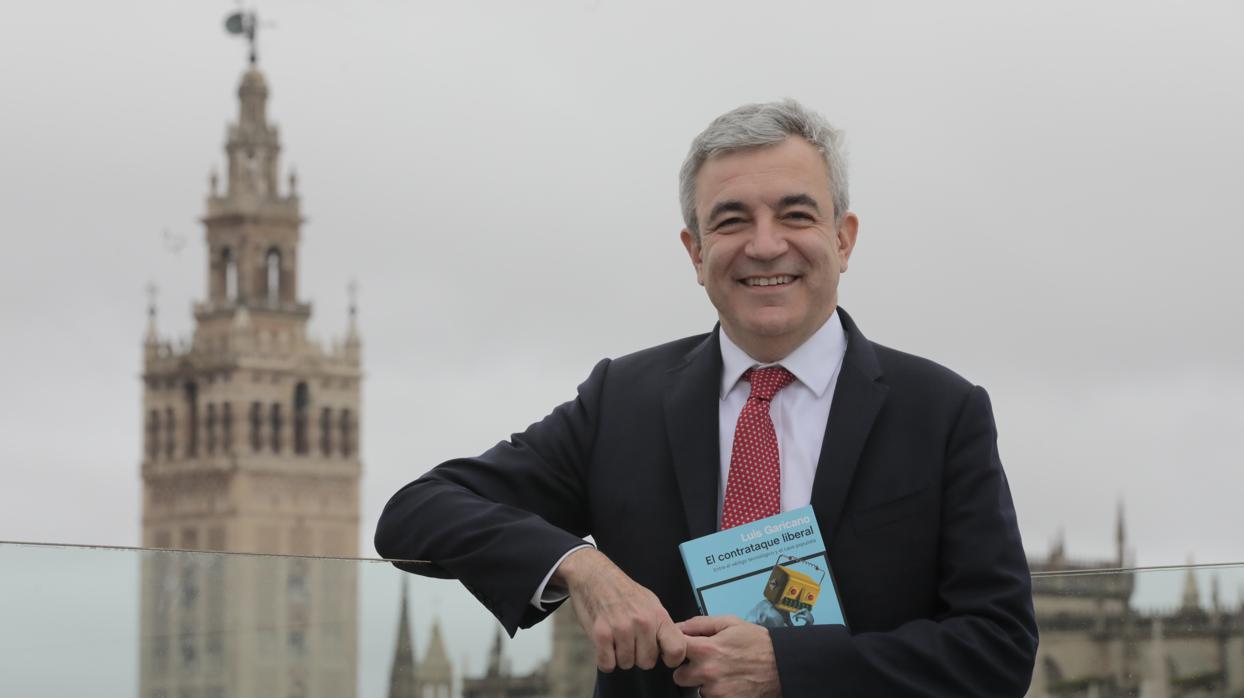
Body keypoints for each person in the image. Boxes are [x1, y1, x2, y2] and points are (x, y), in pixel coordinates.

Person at [375, 100, 1038, 697]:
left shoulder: (942, 412)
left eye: (795, 213)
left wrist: (791, 666)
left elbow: (999, 648)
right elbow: (417, 511)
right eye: (731, 220)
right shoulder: (622, 402)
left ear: (843, 238)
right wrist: (579, 565)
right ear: (695, 253)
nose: (765, 243)